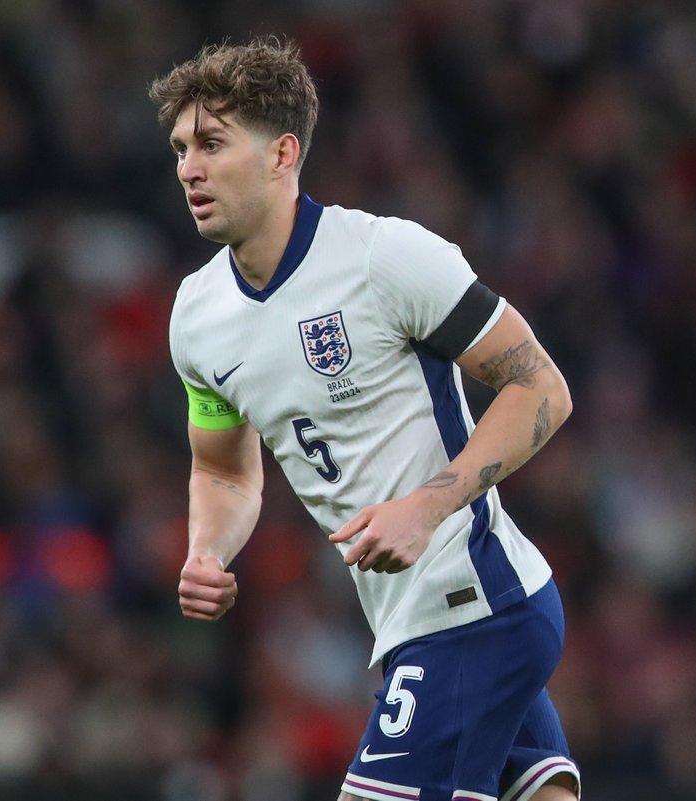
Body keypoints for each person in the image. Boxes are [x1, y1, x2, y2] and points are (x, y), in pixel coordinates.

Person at [149, 37, 580, 801]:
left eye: (212, 144)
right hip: (413, 622)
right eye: (182, 147)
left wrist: (427, 505)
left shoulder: (387, 258)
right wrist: (209, 548)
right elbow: (221, 465)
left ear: (283, 154)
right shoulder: (196, 316)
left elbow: (542, 388)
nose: (189, 167)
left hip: (474, 604)